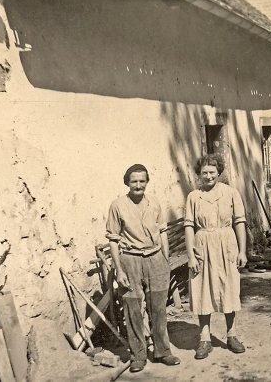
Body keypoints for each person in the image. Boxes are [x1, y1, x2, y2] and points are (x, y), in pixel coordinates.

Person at [105, 164, 180, 372]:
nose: (138, 185)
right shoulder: (117, 205)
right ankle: (138, 355)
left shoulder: (154, 202)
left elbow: (162, 231)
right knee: (133, 309)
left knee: (158, 307)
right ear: (127, 183)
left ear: (147, 182)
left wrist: (165, 258)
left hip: (155, 258)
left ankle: (163, 351)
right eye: (134, 181)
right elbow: (113, 240)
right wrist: (119, 270)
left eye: (142, 181)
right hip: (130, 260)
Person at [184, 154, 248, 360]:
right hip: (202, 246)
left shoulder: (230, 193)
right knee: (203, 289)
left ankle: (232, 335)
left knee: (228, 288)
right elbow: (188, 227)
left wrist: (242, 251)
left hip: (226, 244)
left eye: (212, 172)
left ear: (219, 172)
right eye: (204, 173)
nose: (208, 176)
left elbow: (240, 222)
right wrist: (191, 256)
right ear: (199, 175)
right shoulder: (194, 196)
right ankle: (204, 338)